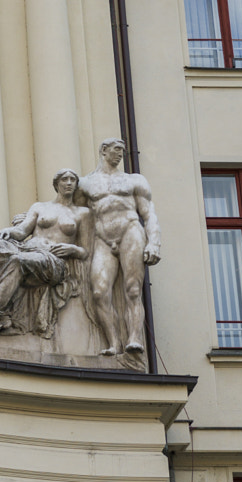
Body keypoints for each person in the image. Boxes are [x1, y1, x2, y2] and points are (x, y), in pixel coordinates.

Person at [0, 172, 93, 339]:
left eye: (73, 180)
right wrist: (6, 231)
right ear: (56, 184)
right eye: (64, 179)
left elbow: (86, 251)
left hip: (54, 262)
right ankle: (3, 307)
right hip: (27, 249)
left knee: (18, 261)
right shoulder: (39, 207)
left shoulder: (83, 213)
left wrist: (72, 249)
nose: (69, 183)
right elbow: (22, 231)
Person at [77, 139, 160, 359]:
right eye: (116, 150)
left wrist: (154, 242)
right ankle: (113, 343)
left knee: (133, 289)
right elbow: (73, 214)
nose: (120, 155)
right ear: (103, 150)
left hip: (130, 232)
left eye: (122, 151)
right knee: (99, 291)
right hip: (102, 238)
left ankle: (134, 338)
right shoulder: (85, 184)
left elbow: (148, 214)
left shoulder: (134, 180)